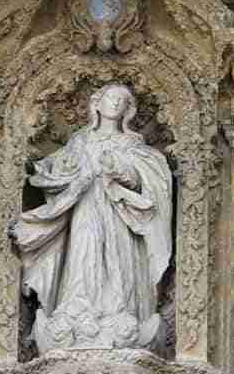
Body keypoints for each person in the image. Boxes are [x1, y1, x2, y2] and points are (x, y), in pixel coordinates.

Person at [12, 84, 172, 352]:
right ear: (96, 104)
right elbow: (54, 169)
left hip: (120, 213)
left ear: (128, 110)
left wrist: (122, 171)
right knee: (84, 255)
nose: (116, 104)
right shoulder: (80, 141)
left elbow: (149, 181)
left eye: (122, 100)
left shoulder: (132, 144)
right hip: (85, 206)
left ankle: (119, 310)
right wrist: (66, 170)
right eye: (111, 98)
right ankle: (77, 306)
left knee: (119, 260)